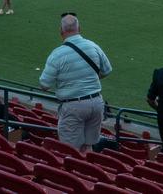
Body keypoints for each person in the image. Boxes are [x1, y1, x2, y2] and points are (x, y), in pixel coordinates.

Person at [38, 14, 112, 153]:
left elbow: (44, 84)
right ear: (80, 29)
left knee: (70, 151)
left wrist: (67, 82)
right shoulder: (93, 46)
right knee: (88, 147)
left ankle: (75, 174)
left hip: (73, 106)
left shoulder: (57, 54)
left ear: (61, 31)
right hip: (96, 103)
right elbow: (107, 70)